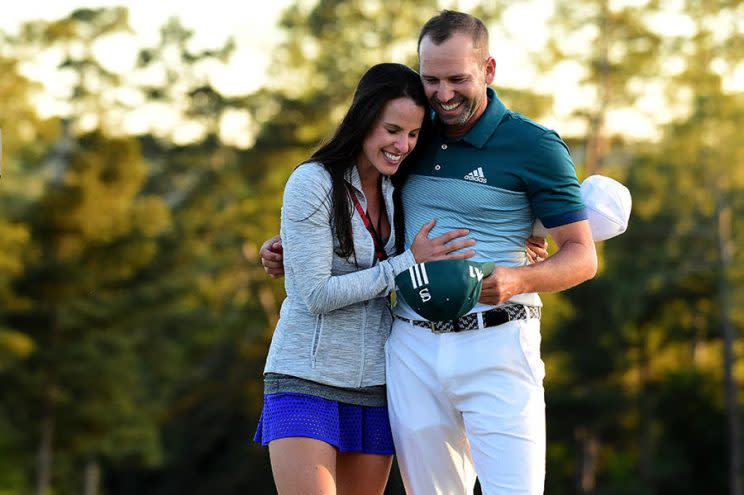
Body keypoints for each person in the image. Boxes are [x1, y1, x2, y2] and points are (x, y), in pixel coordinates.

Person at [260, 10, 598, 495]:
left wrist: (518, 277)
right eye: (431, 79)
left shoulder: (535, 146)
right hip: (409, 348)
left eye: (457, 78)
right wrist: (287, 247)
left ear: (489, 69)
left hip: (497, 341)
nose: (443, 95)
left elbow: (583, 256)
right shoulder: (416, 131)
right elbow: (355, 208)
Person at [253, 62, 482, 495]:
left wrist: (526, 237)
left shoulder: (404, 190)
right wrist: (406, 263)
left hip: (377, 387)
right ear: (363, 121)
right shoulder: (313, 181)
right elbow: (317, 294)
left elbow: (471, 209)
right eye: (392, 130)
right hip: (306, 379)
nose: (402, 145)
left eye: (413, 135)